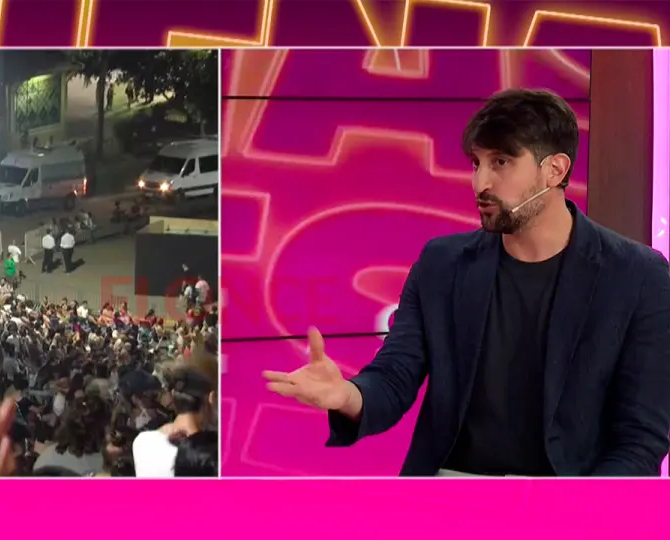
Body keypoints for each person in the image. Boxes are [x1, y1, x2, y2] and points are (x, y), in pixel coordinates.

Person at [263, 88, 670, 477]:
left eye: (501, 162)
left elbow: (640, 440)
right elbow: (394, 376)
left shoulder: (637, 278)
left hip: (569, 498)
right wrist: (348, 396)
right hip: (451, 489)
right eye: (476, 164)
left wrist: (580, 512)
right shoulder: (442, 264)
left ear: (555, 170)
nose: (480, 183)